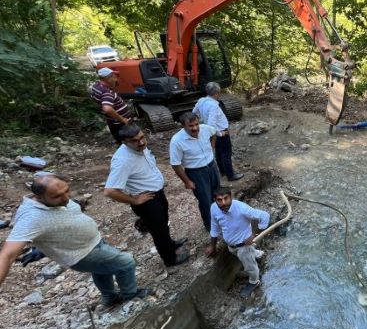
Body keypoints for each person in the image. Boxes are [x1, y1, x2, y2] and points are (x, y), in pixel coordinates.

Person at [0, 174, 149, 307]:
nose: (66, 198)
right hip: (81, 254)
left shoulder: (51, 191)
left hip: (92, 243)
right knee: (126, 263)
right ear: (39, 197)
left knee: (102, 270)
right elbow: (7, 255)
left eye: (67, 191)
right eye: (58, 196)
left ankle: (110, 298)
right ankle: (131, 295)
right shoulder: (31, 218)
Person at [104, 124, 189, 267]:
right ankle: (170, 259)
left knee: (163, 224)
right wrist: (135, 200)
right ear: (125, 142)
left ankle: (170, 244)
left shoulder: (141, 149)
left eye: (142, 137)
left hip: (157, 194)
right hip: (147, 202)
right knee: (158, 230)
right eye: (135, 141)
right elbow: (110, 191)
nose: (141, 142)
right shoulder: (122, 160)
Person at [208, 187, 269, 297]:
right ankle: (257, 254)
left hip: (244, 246)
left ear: (231, 196)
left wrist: (254, 235)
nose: (223, 203)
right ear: (214, 200)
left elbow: (264, 216)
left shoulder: (241, 208)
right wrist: (212, 246)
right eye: (219, 200)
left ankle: (254, 282)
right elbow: (214, 227)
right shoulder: (213, 208)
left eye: (226, 198)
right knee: (243, 254)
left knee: (250, 266)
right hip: (231, 246)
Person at [169, 112, 220, 232]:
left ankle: (220, 218)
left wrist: (212, 147)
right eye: (191, 126)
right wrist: (187, 181)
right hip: (196, 173)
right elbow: (175, 164)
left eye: (196, 124)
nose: (195, 128)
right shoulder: (176, 141)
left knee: (218, 194)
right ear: (183, 126)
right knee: (205, 200)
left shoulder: (206, 129)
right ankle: (210, 225)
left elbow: (214, 134)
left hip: (212, 167)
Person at [193, 82, 244, 182]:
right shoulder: (213, 106)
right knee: (226, 154)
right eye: (219, 92)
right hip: (220, 132)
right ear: (216, 93)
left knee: (219, 153)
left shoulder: (201, 101)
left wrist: (203, 121)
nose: (219, 94)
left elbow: (194, 112)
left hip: (211, 132)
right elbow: (212, 124)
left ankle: (223, 172)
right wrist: (220, 133)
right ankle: (231, 175)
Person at [89, 67, 132, 144]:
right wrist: (122, 119)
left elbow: (94, 98)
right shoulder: (106, 92)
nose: (116, 79)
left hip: (112, 122)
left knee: (122, 143)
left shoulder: (96, 86)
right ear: (108, 79)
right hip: (120, 124)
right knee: (130, 143)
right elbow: (107, 109)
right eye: (114, 77)